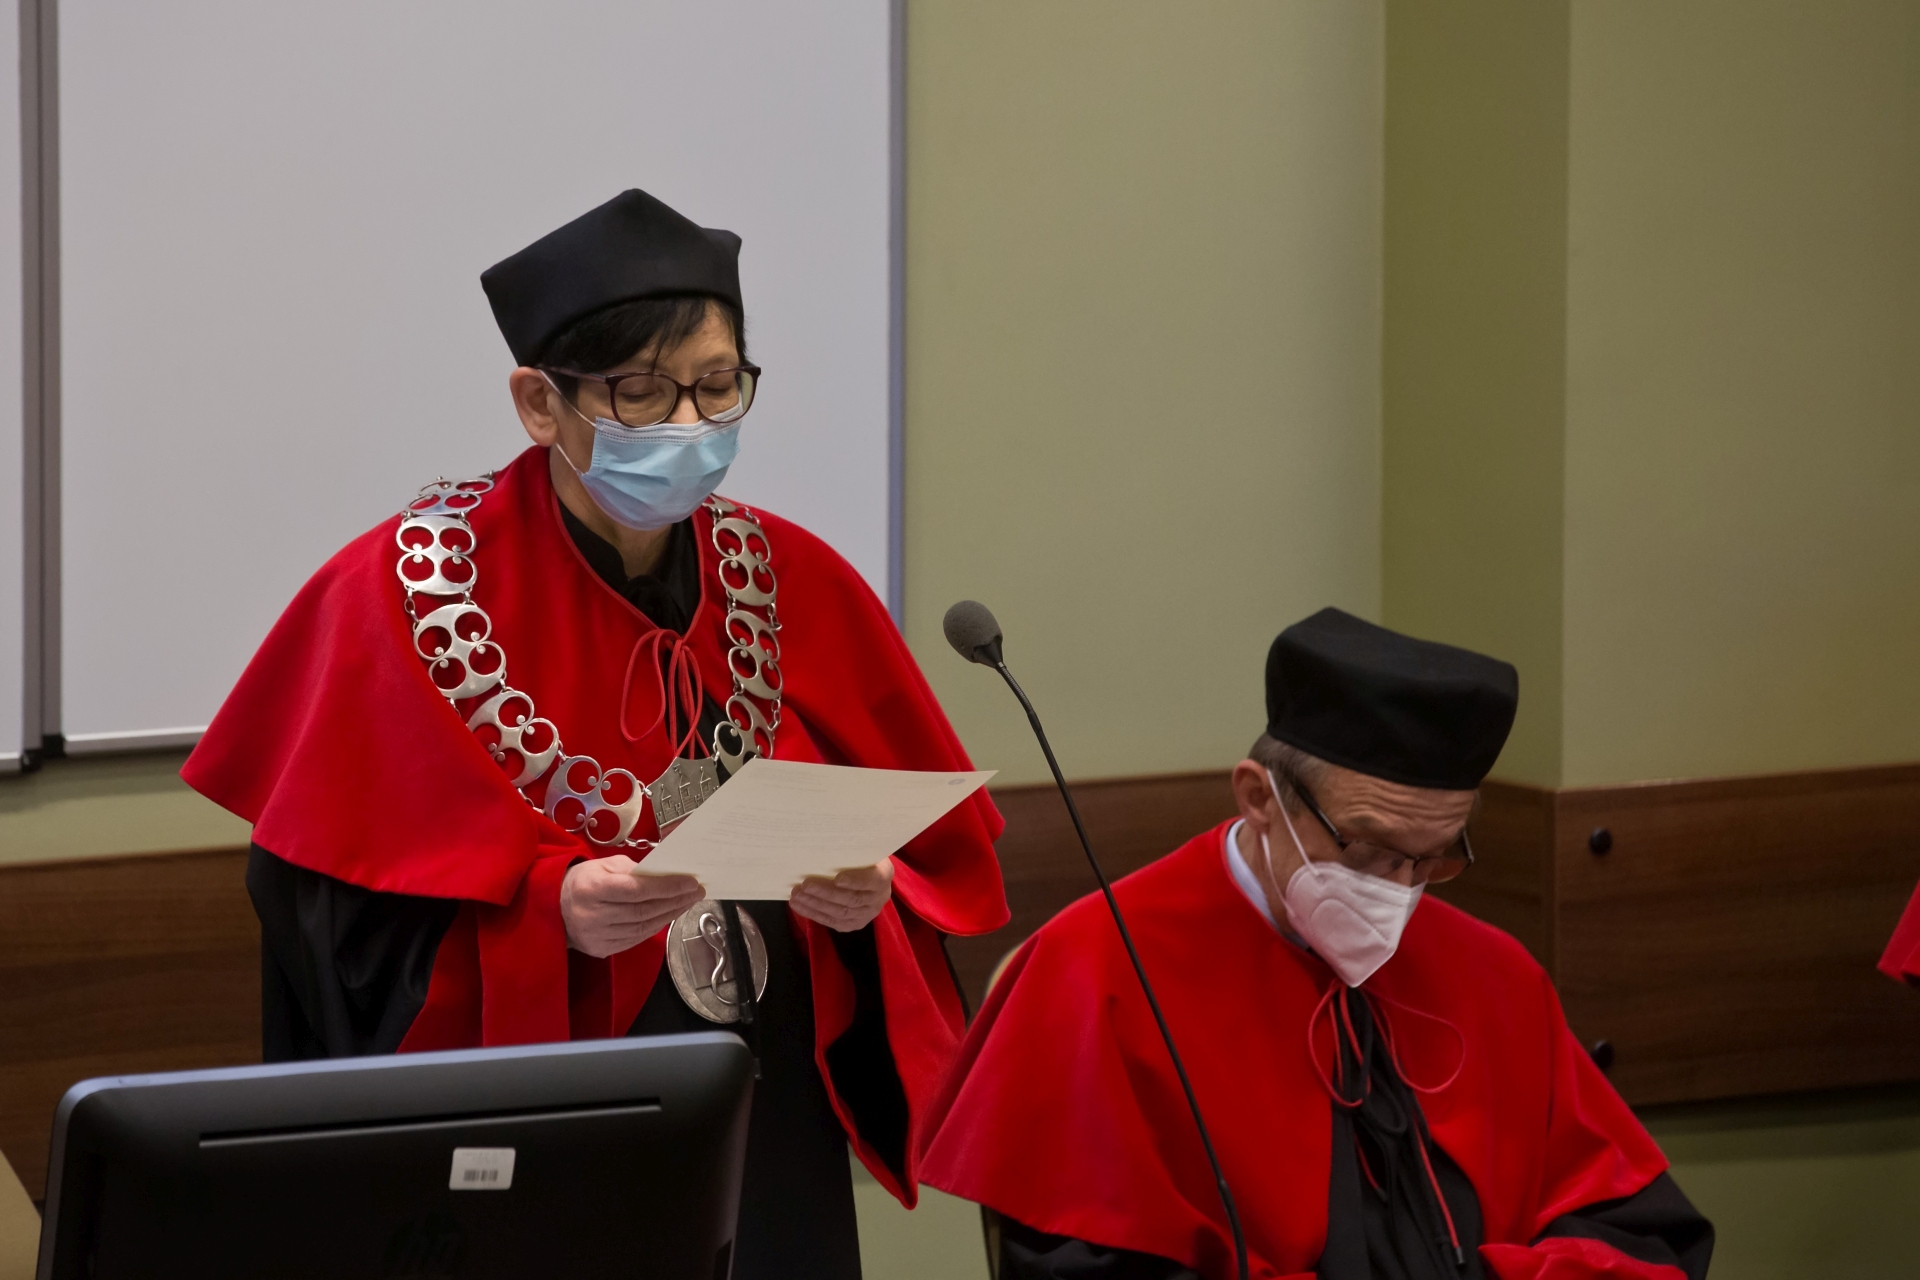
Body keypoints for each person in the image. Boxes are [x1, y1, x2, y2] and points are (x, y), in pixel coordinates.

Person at [183, 188, 1008, 1278]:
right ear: (540, 401)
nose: (689, 424)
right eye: (641, 392)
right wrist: (545, 915)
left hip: (765, 1105)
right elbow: (323, 910)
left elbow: (929, 854)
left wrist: (870, 902)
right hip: (550, 1132)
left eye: (718, 385)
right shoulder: (403, 593)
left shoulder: (793, 576)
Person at [920, 609, 1714, 1280]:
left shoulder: (1493, 973)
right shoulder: (1097, 968)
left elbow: (1635, 1230)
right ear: (1258, 797)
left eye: (1432, 859)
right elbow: (1077, 1264)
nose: (1398, 888)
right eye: (1367, 850)